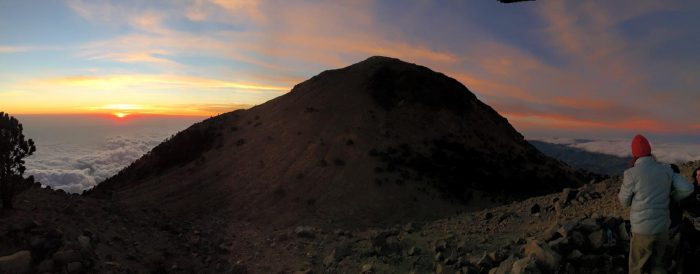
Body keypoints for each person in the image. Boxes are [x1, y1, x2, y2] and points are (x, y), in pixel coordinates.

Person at [618, 134, 694, 274]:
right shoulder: (666, 169)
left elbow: (624, 202)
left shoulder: (631, 174)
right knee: (659, 265)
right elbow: (687, 188)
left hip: (641, 231)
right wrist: (672, 196)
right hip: (662, 229)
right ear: (649, 151)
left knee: (637, 268)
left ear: (635, 154)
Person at [679, 166, 700, 273]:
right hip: (689, 227)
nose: (698, 177)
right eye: (697, 175)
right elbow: (681, 204)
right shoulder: (690, 189)